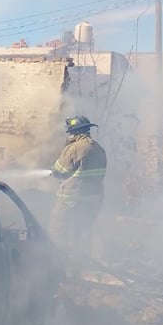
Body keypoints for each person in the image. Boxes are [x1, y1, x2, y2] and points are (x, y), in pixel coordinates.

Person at [49, 114, 107, 271]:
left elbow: (60, 171)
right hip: (93, 200)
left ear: (75, 132)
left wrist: (53, 171)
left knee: (58, 228)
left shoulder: (74, 148)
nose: (69, 135)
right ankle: (80, 266)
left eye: (70, 132)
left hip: (71, 199)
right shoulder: (98, 148)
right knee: (82, 231)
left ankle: (57, 264)